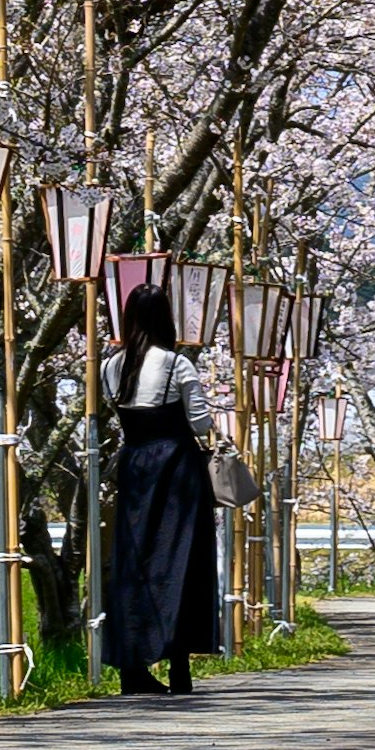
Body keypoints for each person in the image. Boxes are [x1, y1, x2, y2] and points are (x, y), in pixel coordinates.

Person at [104, 295, 224, 697]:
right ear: (166, 320)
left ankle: (131, 667)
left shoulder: (111, 366)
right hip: (177, 470)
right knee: (182, 561)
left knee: (133, 561)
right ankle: (179, 666)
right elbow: (201, 422)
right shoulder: (176, 364)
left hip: (135, 467)